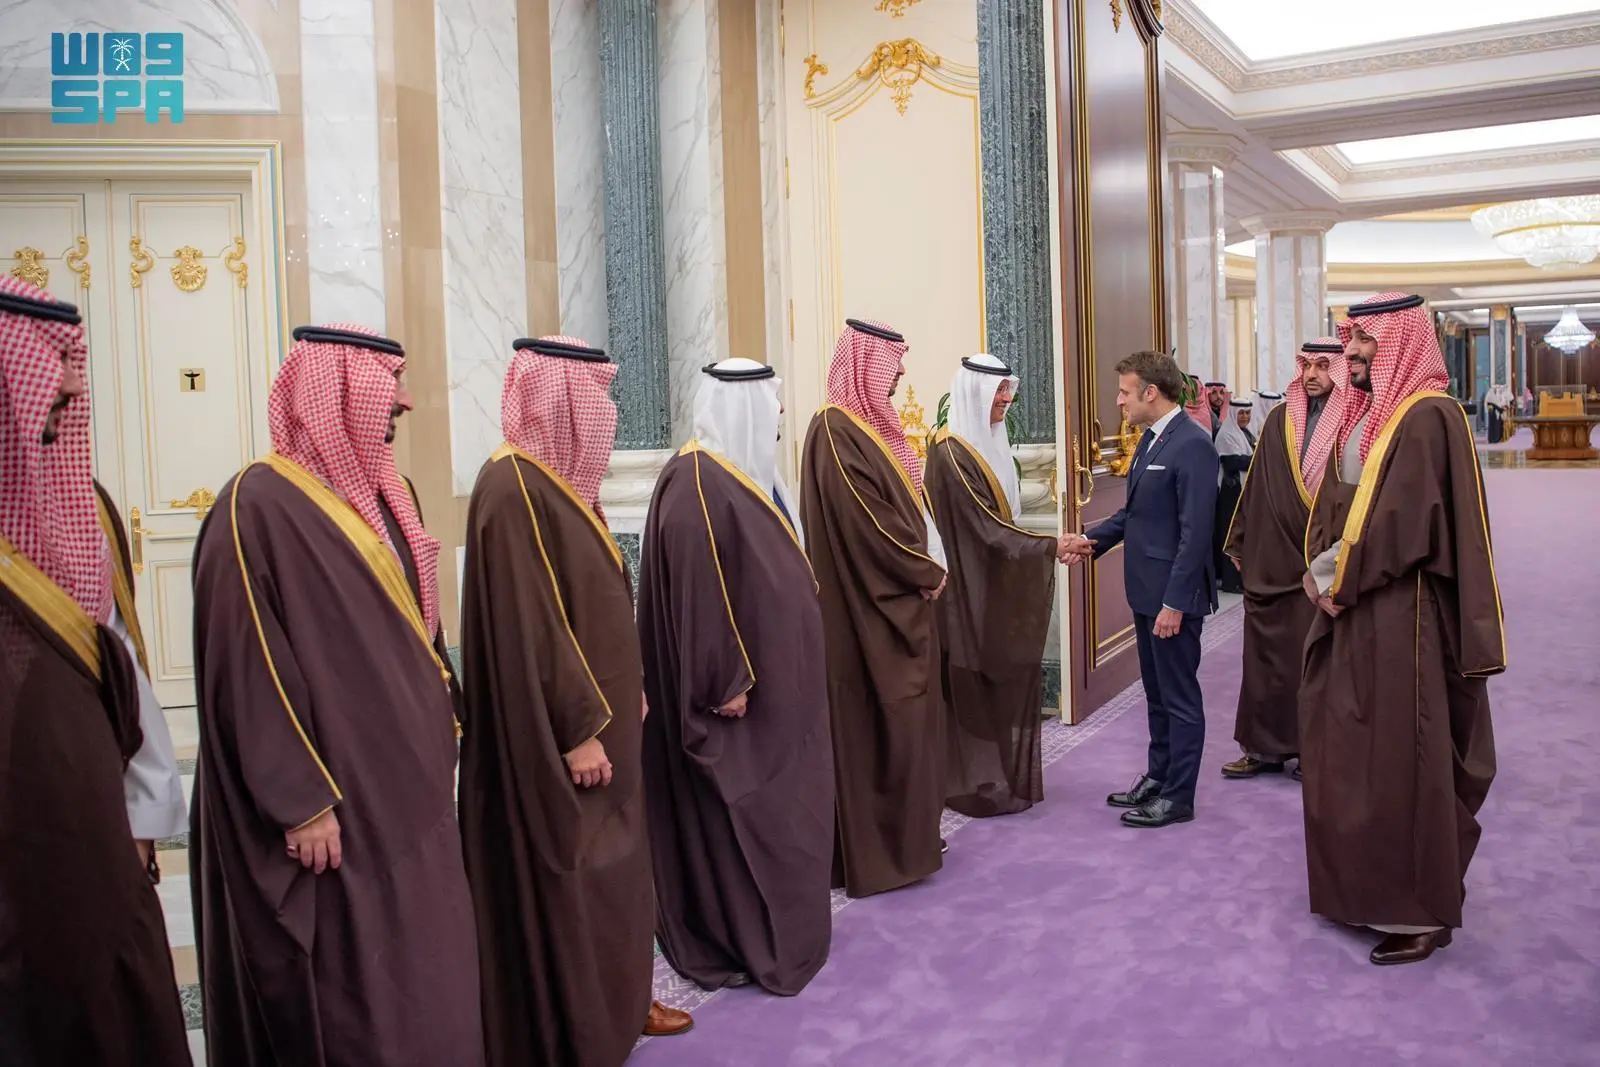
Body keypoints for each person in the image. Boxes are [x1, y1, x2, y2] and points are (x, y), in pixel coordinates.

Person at [189, 323, 483, 1067]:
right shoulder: (256, 506)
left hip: (411, 796)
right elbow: (246, 666)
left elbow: (420, 625)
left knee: (426, 962)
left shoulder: (390, 494)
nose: (405, 402)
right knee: (359, 982)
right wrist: (301, 800)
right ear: (340, 389)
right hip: (339, 804)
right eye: (391, 383)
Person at [458, 335, 691, 1067]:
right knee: (581, 874)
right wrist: (578, 728)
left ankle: (623, 999)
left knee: (617, 874)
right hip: (575, 742)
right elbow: (533, 623)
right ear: (558, 397)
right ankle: (588, 1020)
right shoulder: (512, 487)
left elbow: (592, 603)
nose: (608, 411)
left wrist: (632, 687)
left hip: (609, 725)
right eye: (595, 394)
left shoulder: (552, 483)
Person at [0, 277, 191, 1066]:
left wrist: (142, 814)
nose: (74, 387)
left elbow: (124, 673)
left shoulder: (87, 509)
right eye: (50, 367)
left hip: (92, 838)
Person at [1299, 293, 1503, 966]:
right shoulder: (1369, 415)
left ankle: (1418, 912)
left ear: (1401, 344)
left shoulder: (1428, 416)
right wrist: (1321, 571)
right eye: (1350, 339)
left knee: (1400, 760)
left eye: (1367, 341)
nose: (1353, 351)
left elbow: (1403, 523)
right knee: (1352, 752)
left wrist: (1334, 576)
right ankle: (1361, 888)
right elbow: (1341, 507)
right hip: (1359, 607)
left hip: (1402, 620)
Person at [638, 357, 833, 996]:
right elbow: (698, 589)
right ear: (739, 405)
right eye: (770, 401)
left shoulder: (738, 475)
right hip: (737, 703)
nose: (780, 412)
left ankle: (781, 929)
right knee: (747, 818)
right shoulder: (696, 482)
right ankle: (744, 937)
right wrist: (725, 679)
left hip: (779, 695)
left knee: (787, 812)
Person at [800, 317, 947, 897]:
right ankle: (880, 853)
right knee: (878, 728)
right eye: (892, 364)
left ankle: (908, 840)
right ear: (864, 364)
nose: (900, 375)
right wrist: (923, 570)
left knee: (906, 728)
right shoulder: (835, 431)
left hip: (889, 603)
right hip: (865, 611)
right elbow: (871, 524)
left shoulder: (862, 428)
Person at [1062, 350, 1218, 828]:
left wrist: (1175, 602)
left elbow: (1195, 533)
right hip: (1147, 593)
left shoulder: (1192, 444)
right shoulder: (1152, 439)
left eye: (1125, 392)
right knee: (1156, 693)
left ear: (1151, 392)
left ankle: (1178, 797)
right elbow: (1134, 514)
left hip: (1172, 598)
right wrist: (1089, 541)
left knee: (1179, 698)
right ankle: (1159, 776)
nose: (1119, 401)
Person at [926, 354, 1066, 817]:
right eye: (998, 391)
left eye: (1009, 389)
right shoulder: (951, 452)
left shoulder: (987, 441)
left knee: (995, 678)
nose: (1007, 399)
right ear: (975, 393)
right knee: (971, 681)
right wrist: (1050, 546)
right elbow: (985, 527)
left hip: (993, 581)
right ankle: (969, 781)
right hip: (967, 588)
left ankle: (992, 775)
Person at [1221, 339, 1348, 781]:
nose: (1312, 374)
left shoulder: (1353, 420)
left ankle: (1314, 750)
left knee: (1314, 659)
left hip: (1322, 558)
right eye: (1306, 365)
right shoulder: (1278, 419)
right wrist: (1240, 542)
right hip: (1272, 557)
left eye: (1323, 366)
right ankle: (1262, 748)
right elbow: (1256, 484)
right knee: (1264, 658)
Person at [1213, 398, 1254, 595]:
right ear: (1233, 414)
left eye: (1248, 413)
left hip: (1240, 491)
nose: (1245, 417)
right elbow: (1232, 463)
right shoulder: (1226, 434)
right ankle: (1230, 581)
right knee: (1230, 535)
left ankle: (1240, 579)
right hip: (1230, 493)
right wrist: (1256, 457)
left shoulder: (1245, 433)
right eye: (1241, 413)